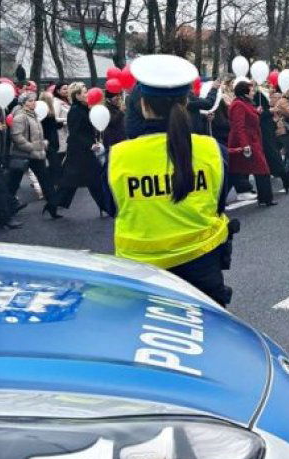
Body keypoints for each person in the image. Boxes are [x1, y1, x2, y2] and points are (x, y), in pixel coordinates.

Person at [106, 54, 234, 306]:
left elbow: (112, 207)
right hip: (203, 263)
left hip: (141, 268)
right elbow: (219, 201)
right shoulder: (212, 149)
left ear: (142, 105)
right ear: (187, 101)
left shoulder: (118, 156)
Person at [45, 82, 108, 218]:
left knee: (81, 182)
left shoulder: (84, 108)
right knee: (79, 182)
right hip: (79, 152)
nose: (87, 94)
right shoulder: (75, 110)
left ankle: (52, 205)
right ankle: (106, 206)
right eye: (84, 92)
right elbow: (75, 133)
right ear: (77, 95)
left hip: (84, 150)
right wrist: (90, 144)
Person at [229, 80, 276, 206]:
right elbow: (239, 127)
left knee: (246, 169)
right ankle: (266, 198)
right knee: (261, 168)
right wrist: (245, 145)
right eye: (251, 90)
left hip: (252, 140)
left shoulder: (244, 103)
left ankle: (265, 198)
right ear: (245, 92)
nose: (253, 92)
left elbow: (249, 117)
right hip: (248, 142)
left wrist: (256, 112)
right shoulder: (238, 104)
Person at [6, 92, 53, 210]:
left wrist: (42, 144)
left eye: (34, 100)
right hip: (22, 155)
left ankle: (52, 206)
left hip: (36, 155)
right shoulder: (20, 116)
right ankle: (8, 206)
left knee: (45, 180)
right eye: (30, 100)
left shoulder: (33, 115)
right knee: (13, 183)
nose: (34, 103)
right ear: (23, 103)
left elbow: (36, 134)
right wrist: (32, 146)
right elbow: (17, 136)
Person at [255, 83, 289, 194]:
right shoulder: (257, 97)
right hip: (263, 131)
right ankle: (285, 181)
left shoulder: (262, 94)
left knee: (274, 157)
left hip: (267, 130)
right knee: (271, 158)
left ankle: (286, 181)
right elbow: (258, 115)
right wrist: (269, 112)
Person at [40, 91, 63, 191]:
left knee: (53, 164)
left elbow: (53, 125)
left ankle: (52, 185)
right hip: (49, 141)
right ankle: (52, 186)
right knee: (54, 165)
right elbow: (47, 127)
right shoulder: (45, 113)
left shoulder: (49, 112)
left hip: (52, 140)